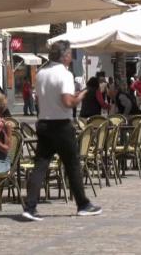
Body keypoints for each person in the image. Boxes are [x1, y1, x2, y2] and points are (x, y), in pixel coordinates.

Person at [23, 41, 101, 221]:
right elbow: (67, 102)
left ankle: (30, 206)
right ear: (64, 56)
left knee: (40, 165)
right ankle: (83, 204)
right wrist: (80, 95)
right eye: (70, 54)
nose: (71, 57)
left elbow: (39, 100)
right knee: (72, 165)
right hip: (61, 125)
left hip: (44, 123)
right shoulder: (64, 74)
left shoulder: (41, 73)